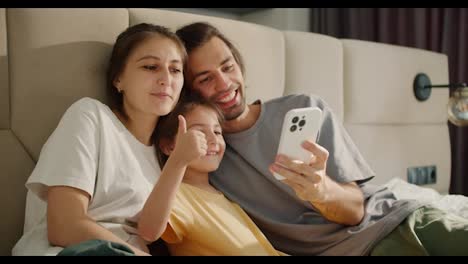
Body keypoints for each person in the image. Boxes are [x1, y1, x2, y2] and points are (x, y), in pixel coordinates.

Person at [175, 22, 468, 256]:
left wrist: (321, 191)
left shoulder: (303, 108)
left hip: (395, 223)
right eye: (205, 79)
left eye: (228, 67)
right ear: (187, 91)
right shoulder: (204, 159)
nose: (225, 84)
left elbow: (355, 210)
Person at [12, 23, 187, 256]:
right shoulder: (90, 116)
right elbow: (65, 226)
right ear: (118, 79)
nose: (166, 79)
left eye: (175, 70)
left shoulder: (166, 153)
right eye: (151, 66)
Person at [137, 94, 284, 256]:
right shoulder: (177, 195)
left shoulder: (222, 194)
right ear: (169, 146)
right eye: (199, 132)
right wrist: (178, 160)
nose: (213, 139)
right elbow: (148, 231)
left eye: (217, 131)